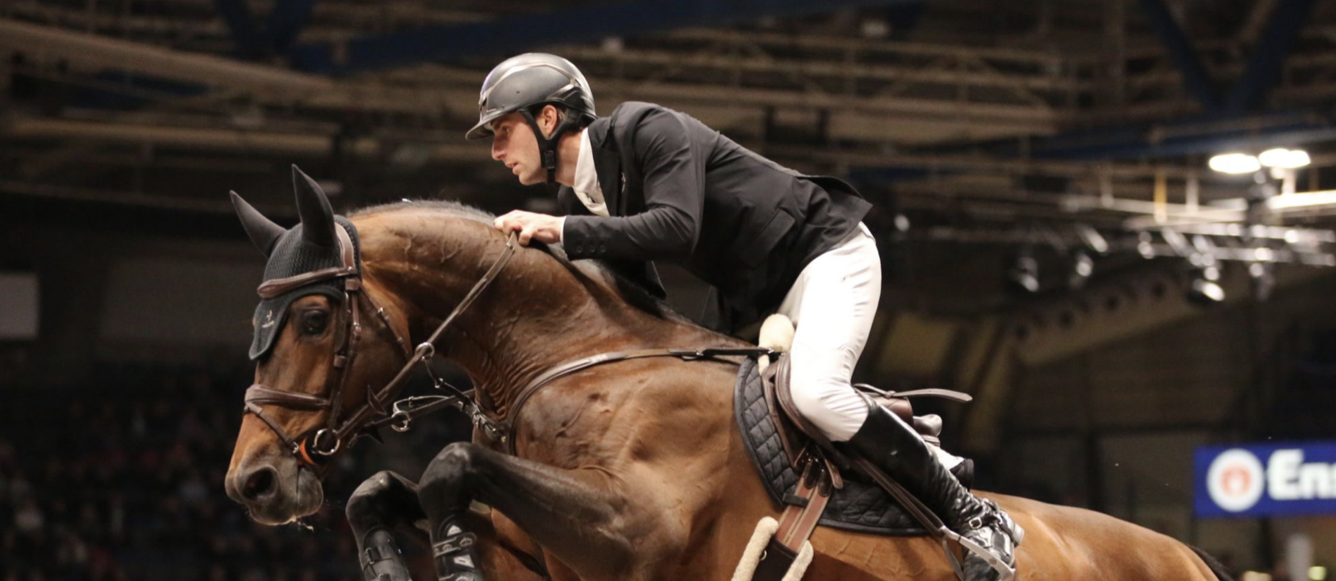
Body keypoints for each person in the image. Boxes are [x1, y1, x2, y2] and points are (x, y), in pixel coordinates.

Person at [469, 53, 1022, 581]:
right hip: (755, 295)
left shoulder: (645, 128)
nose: (496, 150)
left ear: (547, 118)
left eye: (501, 130)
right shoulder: (581, 201)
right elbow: (640, 302)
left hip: (824, 252)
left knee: (814, 393)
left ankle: (973, 512)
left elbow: (675, 226)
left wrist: (560, 233)